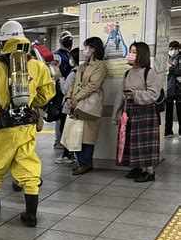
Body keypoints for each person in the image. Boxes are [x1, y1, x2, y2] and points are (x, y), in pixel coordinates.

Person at [0, 20, 55, 226]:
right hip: (26, 126)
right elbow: (47, 93)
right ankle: (31, 215)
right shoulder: (36, 65)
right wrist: (33, 104)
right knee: (28, 166)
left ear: (2, 43)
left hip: (2, 127)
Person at [113, 41, 163, 182]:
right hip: (129, 110)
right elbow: (120, 95)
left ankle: (149, 172)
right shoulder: (127, 73)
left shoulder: (149, 72)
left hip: (146, 111)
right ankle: (135, 167)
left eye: (134, 52)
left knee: (145, 141)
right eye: (130, 51)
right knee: (130, 140)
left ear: (142, 54)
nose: (131, 54)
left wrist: (135, 94)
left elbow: (154, 94)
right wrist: (116, 114)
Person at [66, 37, 108, 175]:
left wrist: (76, 98)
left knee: (88, 136)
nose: (85, 50)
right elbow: (73, 83)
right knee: (76, 134)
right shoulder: (82, 66)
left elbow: (93, 85)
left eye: (88, 47)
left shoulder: (100, 65)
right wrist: (69, 97)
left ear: (94, 49)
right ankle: (82, 163)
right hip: (76, 104)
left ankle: (85, 163)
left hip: (89, 104)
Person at [56, 48, 79, 164]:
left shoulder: (73, 73)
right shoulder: (82, 71)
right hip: (77, 105)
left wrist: (61, 80)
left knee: (65, 130)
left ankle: (67, 155)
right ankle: (71, 154)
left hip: (67, 106)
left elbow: (65, 90)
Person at [165, 40, 181, 136]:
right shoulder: (166, 58)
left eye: (175, 48)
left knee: (180, 111)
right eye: (171, 49)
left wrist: (170, 67)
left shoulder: (179, 58)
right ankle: (168, 131)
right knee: (168, 112)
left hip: (179, 89)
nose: (173, 51)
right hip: (169, 88)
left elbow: (179, 70)